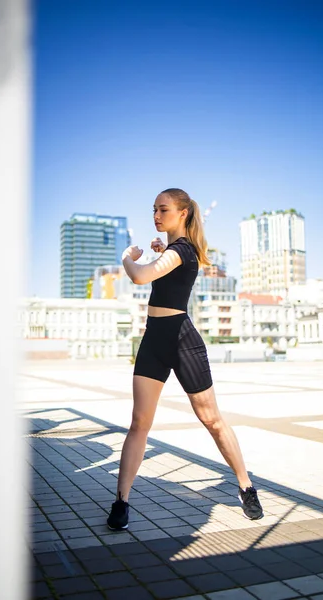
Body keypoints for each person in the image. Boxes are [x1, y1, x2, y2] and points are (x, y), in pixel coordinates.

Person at [107, 188, 263, 530]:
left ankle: (246, 486)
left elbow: (139, 275)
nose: (156, 215)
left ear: (183, 214)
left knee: (212, 419)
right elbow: (163, 272)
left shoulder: (184, 250)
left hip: (182, 340)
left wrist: (127, 257)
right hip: (153, 341)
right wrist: (158, 252)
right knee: (139, 423)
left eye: (163, 209)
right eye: (154, 210)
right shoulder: (172, 251)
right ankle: (121, 501)